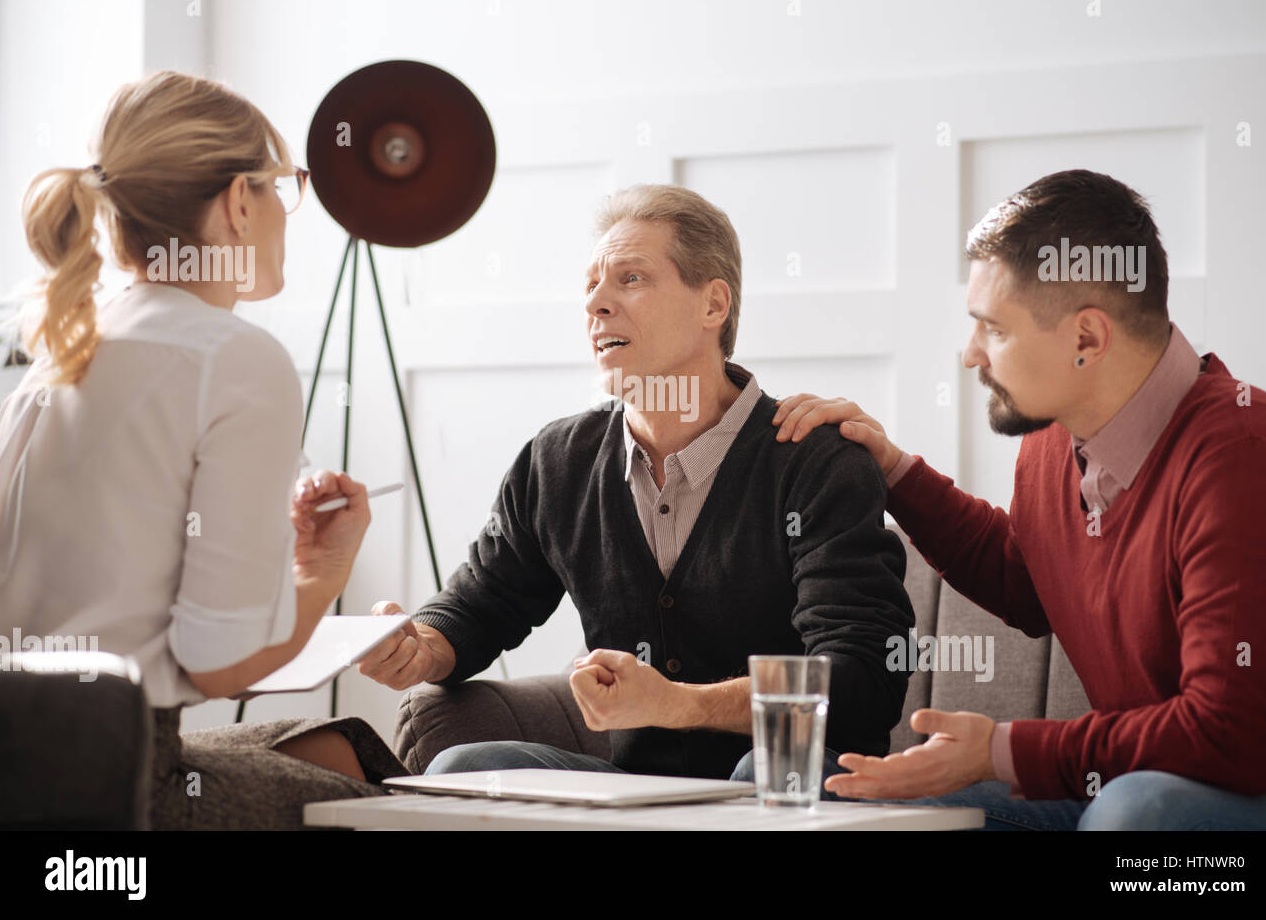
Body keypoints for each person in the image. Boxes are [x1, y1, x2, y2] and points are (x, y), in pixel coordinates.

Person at [773, 169, 1266, 829]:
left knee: (1136, 815)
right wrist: (893, 469)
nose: (970, 354)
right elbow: (1026, 579)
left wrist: (1001, 750)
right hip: (1113, 787)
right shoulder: (1055, 439)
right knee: (823, 796)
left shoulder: (1242, 456)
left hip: (1237, 803)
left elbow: (1233, 734)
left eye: (992, 328)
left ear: (1086, 339)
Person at [358, 184, 913, 785]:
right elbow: (481, 603)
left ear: (713, 305)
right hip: (643, 788)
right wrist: (421, 645)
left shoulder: (817, 461)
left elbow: (861, 678)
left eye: (631, 279)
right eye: (591, 285)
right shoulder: (558, 460)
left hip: (800, 781)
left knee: (766, 770)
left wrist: (681, 704)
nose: (596, 303)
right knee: (462, 767)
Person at [0, 70, 409, 829]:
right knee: (392, 809)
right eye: (284, 184)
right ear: (236, 203)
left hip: (24, 765)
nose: (290, 210)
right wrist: (321, 574)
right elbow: (216, 663)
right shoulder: (234, 357)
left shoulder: (62, 353)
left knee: (340, 745)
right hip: (120, 788)